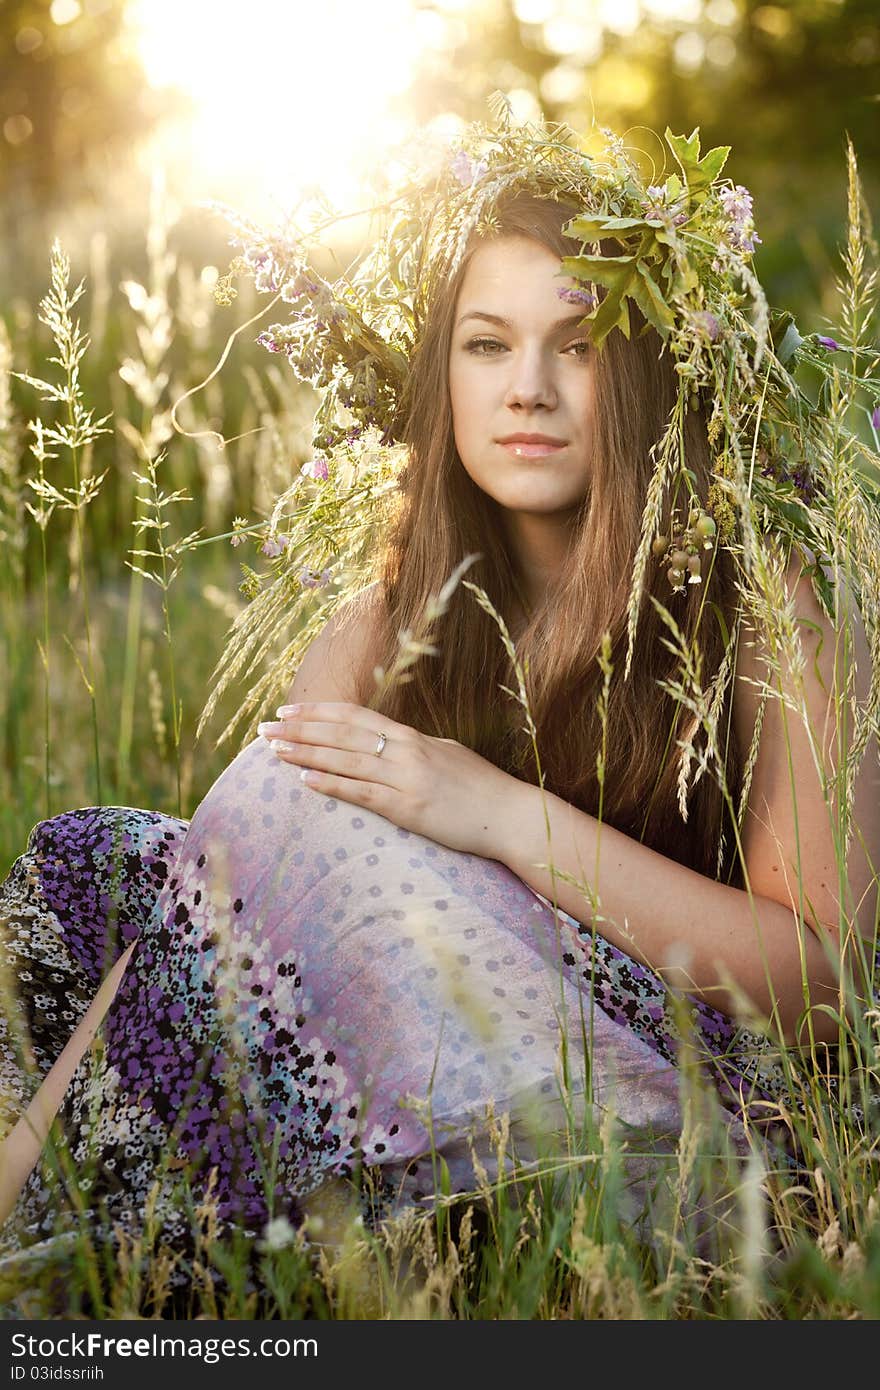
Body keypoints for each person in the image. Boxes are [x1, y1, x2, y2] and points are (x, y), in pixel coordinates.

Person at [1, 114, 878, 1311]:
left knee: (301, 811)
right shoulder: (393, 616)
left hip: (674, 1123)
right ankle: (69, 1233)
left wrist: (499, 817)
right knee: (95, 866)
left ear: (646, 364)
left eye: (578, 343)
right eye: (485, 344)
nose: (528, 388)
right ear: (442, 375)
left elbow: (823, 984)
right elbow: (235, 890)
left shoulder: (763, 598)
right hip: (407, 1084)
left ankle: (92, 1243)